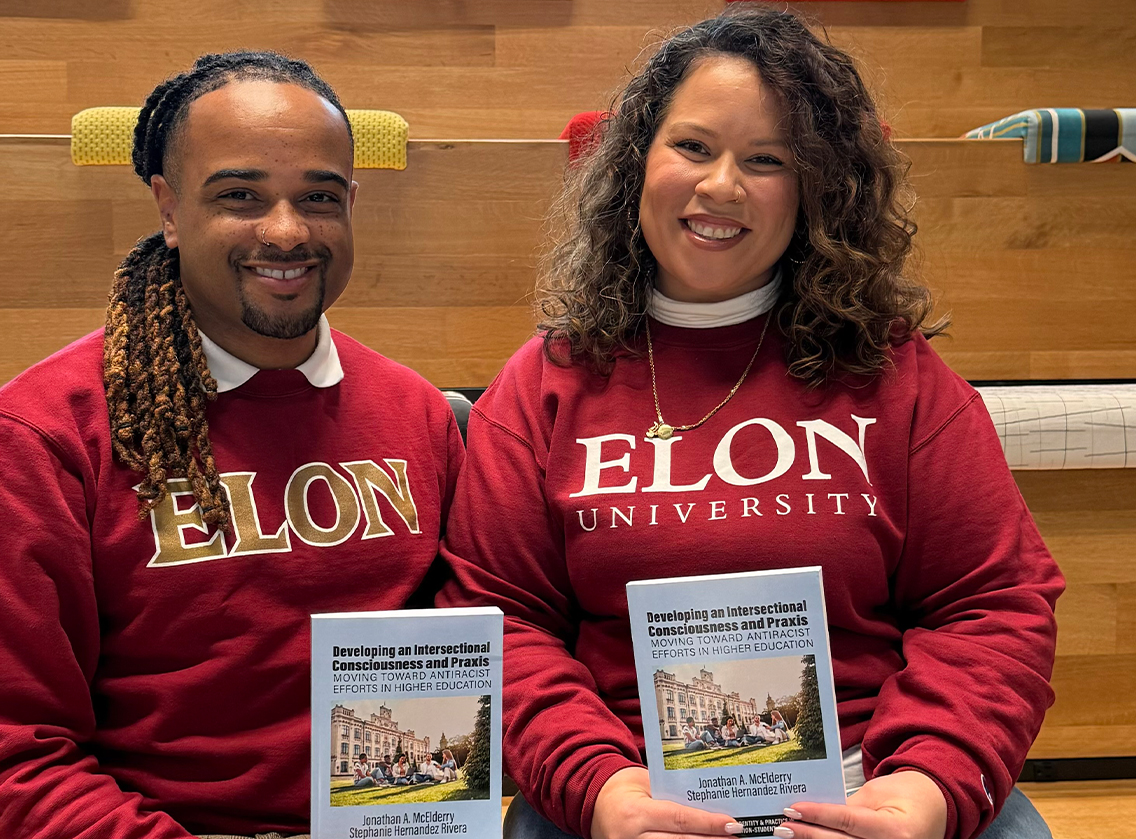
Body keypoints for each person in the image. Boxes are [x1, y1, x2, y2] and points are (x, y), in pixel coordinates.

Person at [437, 7, 1062, 839]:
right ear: (636, 163)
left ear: (816, 193)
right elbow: (502, 619)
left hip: (875, 788)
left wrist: (926, 785)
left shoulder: (897, 374)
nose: (721, 185)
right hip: (627, 793)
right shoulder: (545, 384)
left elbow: (993, 602)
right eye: (693, 147)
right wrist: (601, 788)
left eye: (767, 161)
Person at [0, 52, 464, 839]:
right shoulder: (40, 436)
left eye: (318, 197)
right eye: (240, 196)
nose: (287, 231)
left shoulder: (419, 415)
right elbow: (6, 754)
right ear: (170, 208)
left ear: (351, 204)